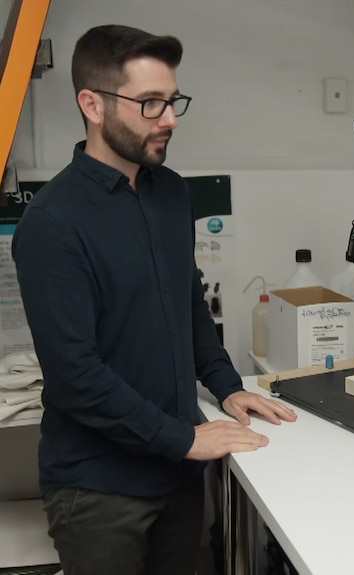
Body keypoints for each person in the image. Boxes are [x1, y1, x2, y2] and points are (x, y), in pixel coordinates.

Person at [12, 24, 297, 575]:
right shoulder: (52, 222)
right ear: (91, 105)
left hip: (179, 474)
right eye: (149, 104)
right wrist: (186, 438)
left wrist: (227, 387)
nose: (168, 119)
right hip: (99, 489)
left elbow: (189, 306)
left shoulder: (171, 192)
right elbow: (75, 377)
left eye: (172, 102)